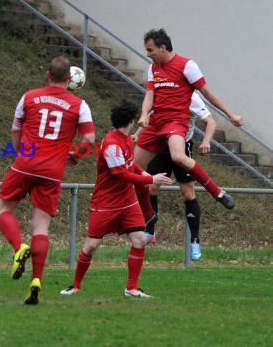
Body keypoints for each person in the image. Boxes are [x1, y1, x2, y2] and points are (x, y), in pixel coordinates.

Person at [0, 56, 96, 305]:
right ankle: (36, 281)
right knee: (41, 227)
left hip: (26, 164)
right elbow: (90, 140)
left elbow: (16, 129)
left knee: (1, 209)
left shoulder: (29, 97)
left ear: (48, 75)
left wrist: (21, 155)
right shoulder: (79, 104)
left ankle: (19, 247)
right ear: (69, 79)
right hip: (53, 171)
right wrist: (77, 155)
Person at [60, 100, 174, 298]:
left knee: (139, 240)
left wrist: (146, 175)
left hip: (128, 202)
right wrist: (150, 178)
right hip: (105, 203)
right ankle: (76, 285)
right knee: (91, 246)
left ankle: (132, 288)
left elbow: (131, 166)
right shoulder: (112, 144)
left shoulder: (127, 139)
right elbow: (121, 174)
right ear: (130, 120)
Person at [134, 29, 243, 219]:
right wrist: (144, 114)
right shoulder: (153, 68)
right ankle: (147, 214)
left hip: (176, 121)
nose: (148, 54)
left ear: (163, 47)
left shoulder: (187, 65)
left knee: (178, 156)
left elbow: (208, 94)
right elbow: (149, 95)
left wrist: (230, 114)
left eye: (150, 50)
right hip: (155, 123)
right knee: (132, 168)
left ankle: (217, 192)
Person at [137, 92, 216, 261]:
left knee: (187, 193)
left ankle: (195, 240)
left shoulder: (192, 97)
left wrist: (206, 141)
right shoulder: (163, 89)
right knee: (150, 187)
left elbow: (211, 121)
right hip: (160, 145)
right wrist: (138, 134)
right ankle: (150, 231)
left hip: (182, 147)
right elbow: (151, 114)